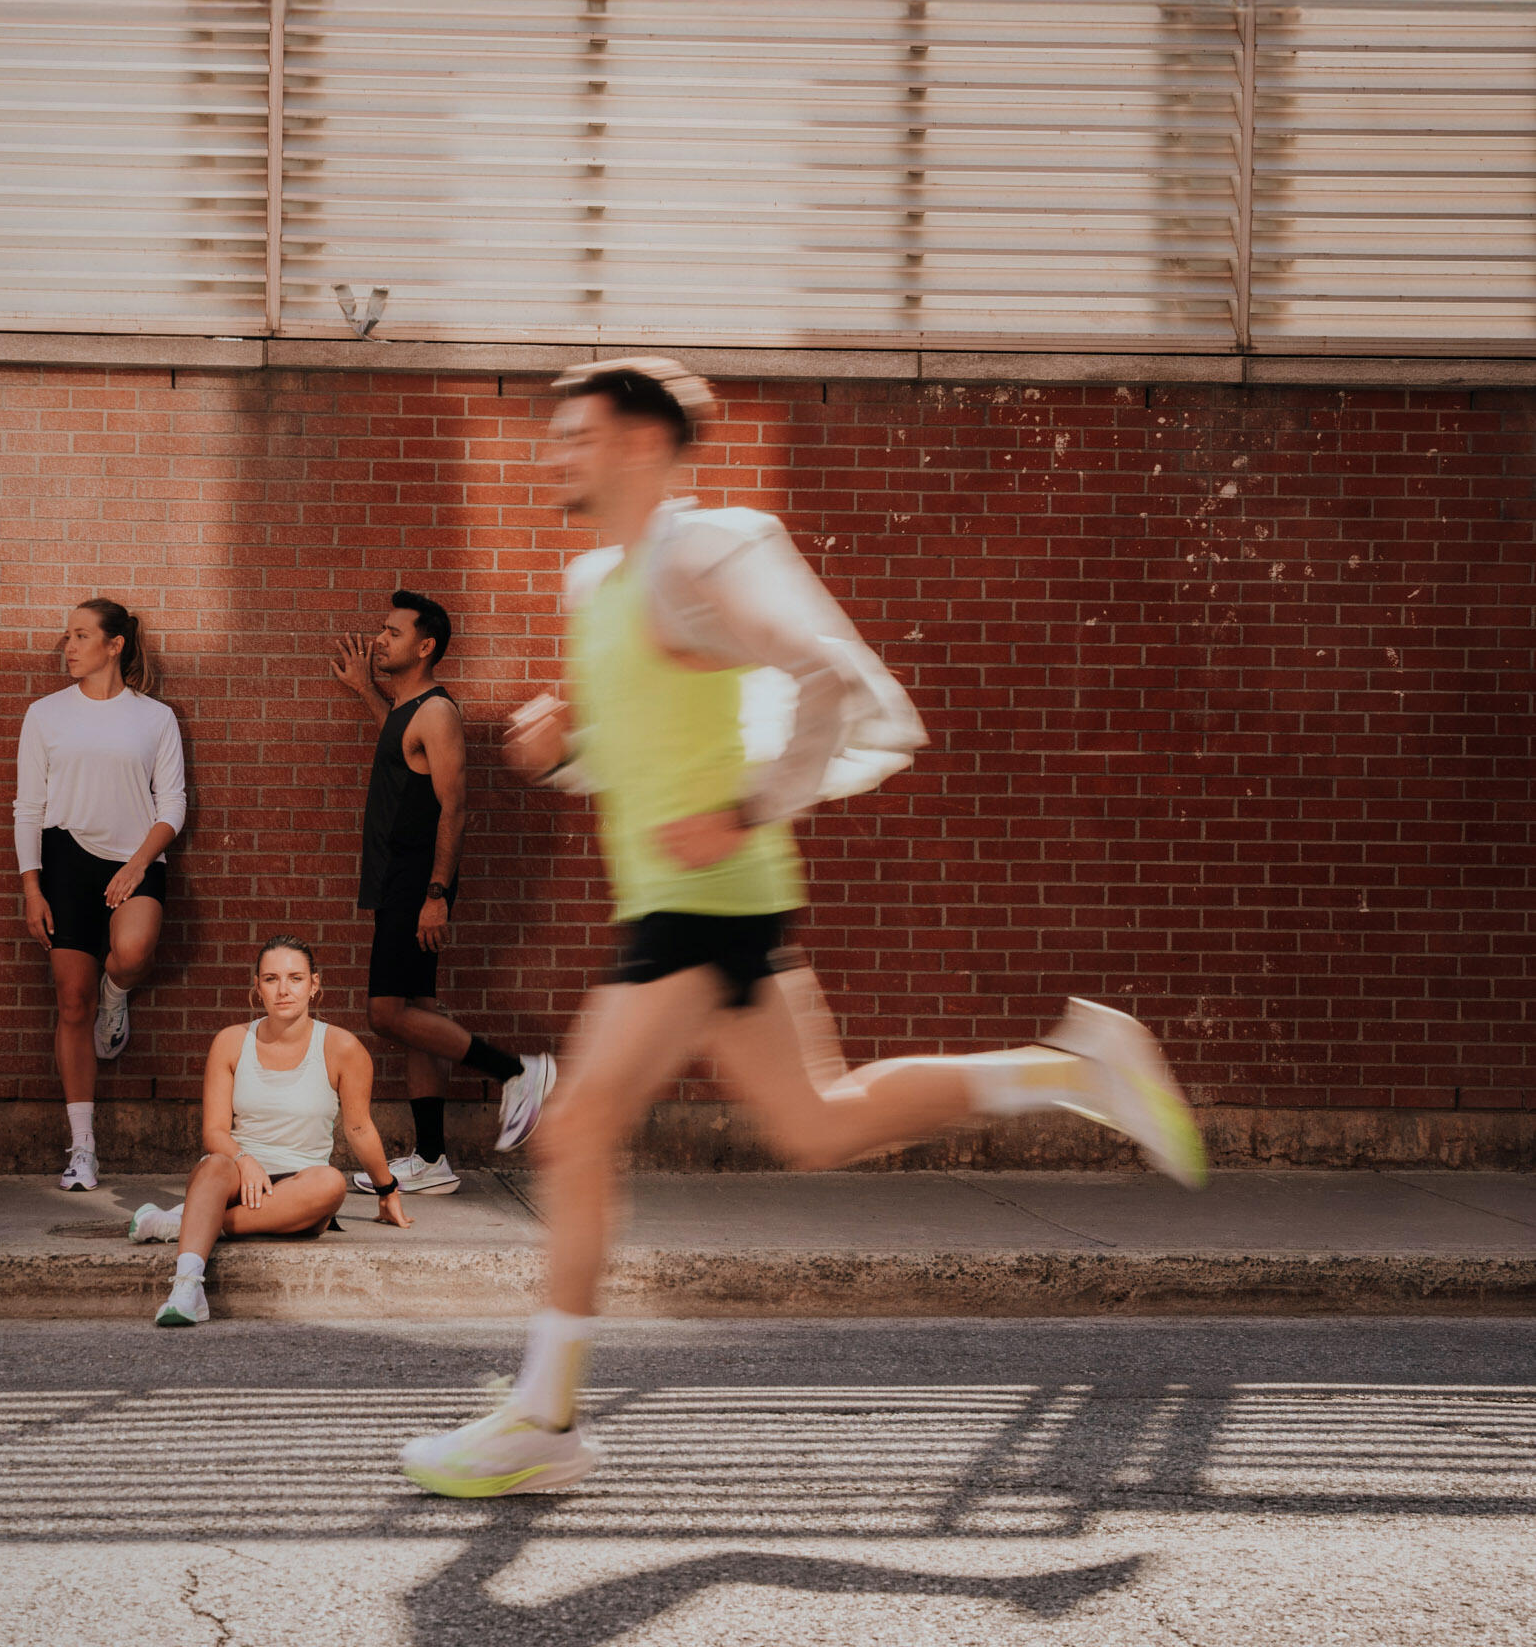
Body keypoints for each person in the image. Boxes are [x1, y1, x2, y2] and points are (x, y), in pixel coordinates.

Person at [400, 358, 1205, 1496]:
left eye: (577, 434)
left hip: (703, 900)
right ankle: (1069, 1067)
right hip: (700, 903)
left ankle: (545, 1416)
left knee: (576, 1128)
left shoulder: (703, 552)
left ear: (641, 445)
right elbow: (643, 730)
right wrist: (564, 746)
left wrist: (743, 807)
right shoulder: (598, 579)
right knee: (818, 1123)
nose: (554, 452)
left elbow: (823, 676)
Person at [328, 589, 554, 1197]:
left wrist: (436, 894)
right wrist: (365, 693)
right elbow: (402, 754)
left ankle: (517, 1072)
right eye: (381, 629)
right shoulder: (408, 711)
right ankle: (431, 1159)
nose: (380, 639)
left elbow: (456, 809)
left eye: (392, 633)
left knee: (387, 1013)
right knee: (418, 1015)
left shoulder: (439, 712)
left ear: (425, 647)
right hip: (397, 878)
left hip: (414, 881)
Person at [142, 937, 413, 1324]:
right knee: (214, 1165)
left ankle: (190, 1221)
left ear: (314, 985)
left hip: (299, 1186)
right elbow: (215, 1130)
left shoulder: (342, 1046)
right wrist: (243, 1159)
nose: (283, 990)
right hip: (235, 1175)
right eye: (271, 979)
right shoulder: (231, 1041)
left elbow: (358, 1126)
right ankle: (187, 1290)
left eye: (295, 978)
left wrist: (387, 1191)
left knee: (331, 1183)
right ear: (257, 987)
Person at [14, 597, 186, 1191]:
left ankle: (118, 994)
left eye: (81, 636)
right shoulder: (45, 714)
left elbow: (173, 806)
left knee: (133, 953)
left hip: (135, 859)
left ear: (114, 645)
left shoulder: (154, 719)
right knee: (69, 1003)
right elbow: (28, 808)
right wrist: (32, 887)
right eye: (67, 636)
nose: (68, 647)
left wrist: (139, 864)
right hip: (64, 858)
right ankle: (83, 1147)